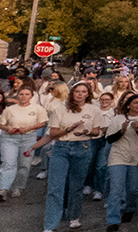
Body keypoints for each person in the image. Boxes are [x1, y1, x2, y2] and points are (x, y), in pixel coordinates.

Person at [34, 82, 102, 230]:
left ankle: (74, 216)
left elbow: (97, 131)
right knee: (55, 187)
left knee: (76, 186)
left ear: (88, 94)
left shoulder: (94, 110)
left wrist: (86, 132)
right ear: (72, 93)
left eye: (83, 92)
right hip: (62, 147)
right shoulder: (60, 108)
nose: (80, 94)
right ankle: (50, 224)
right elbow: (53, 133)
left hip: (83, 147)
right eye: (77, 91)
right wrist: (68, 129)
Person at [101, 94, 138, 231]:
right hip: (118, 156)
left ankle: (129, 208)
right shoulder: (118, 119)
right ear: (128, 105)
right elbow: (110, 139)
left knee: (133, 188)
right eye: (135, 103)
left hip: (136, 157)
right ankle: (113, 220)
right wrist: (122, 131)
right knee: (116, 189)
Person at [0, 85, 50, 198]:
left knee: (24, 165)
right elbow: (1, 124)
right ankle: (3, 189)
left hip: (28, 137)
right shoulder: (10, 109)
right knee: (8, 163)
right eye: (21, 94)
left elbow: (42, 123)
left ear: (31, 96)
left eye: (27, 94)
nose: (23, 97)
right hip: (10, 138)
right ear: (17, 95)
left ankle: (17, 187)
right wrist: (8, 129)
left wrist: (29, 128)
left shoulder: (38, 109)